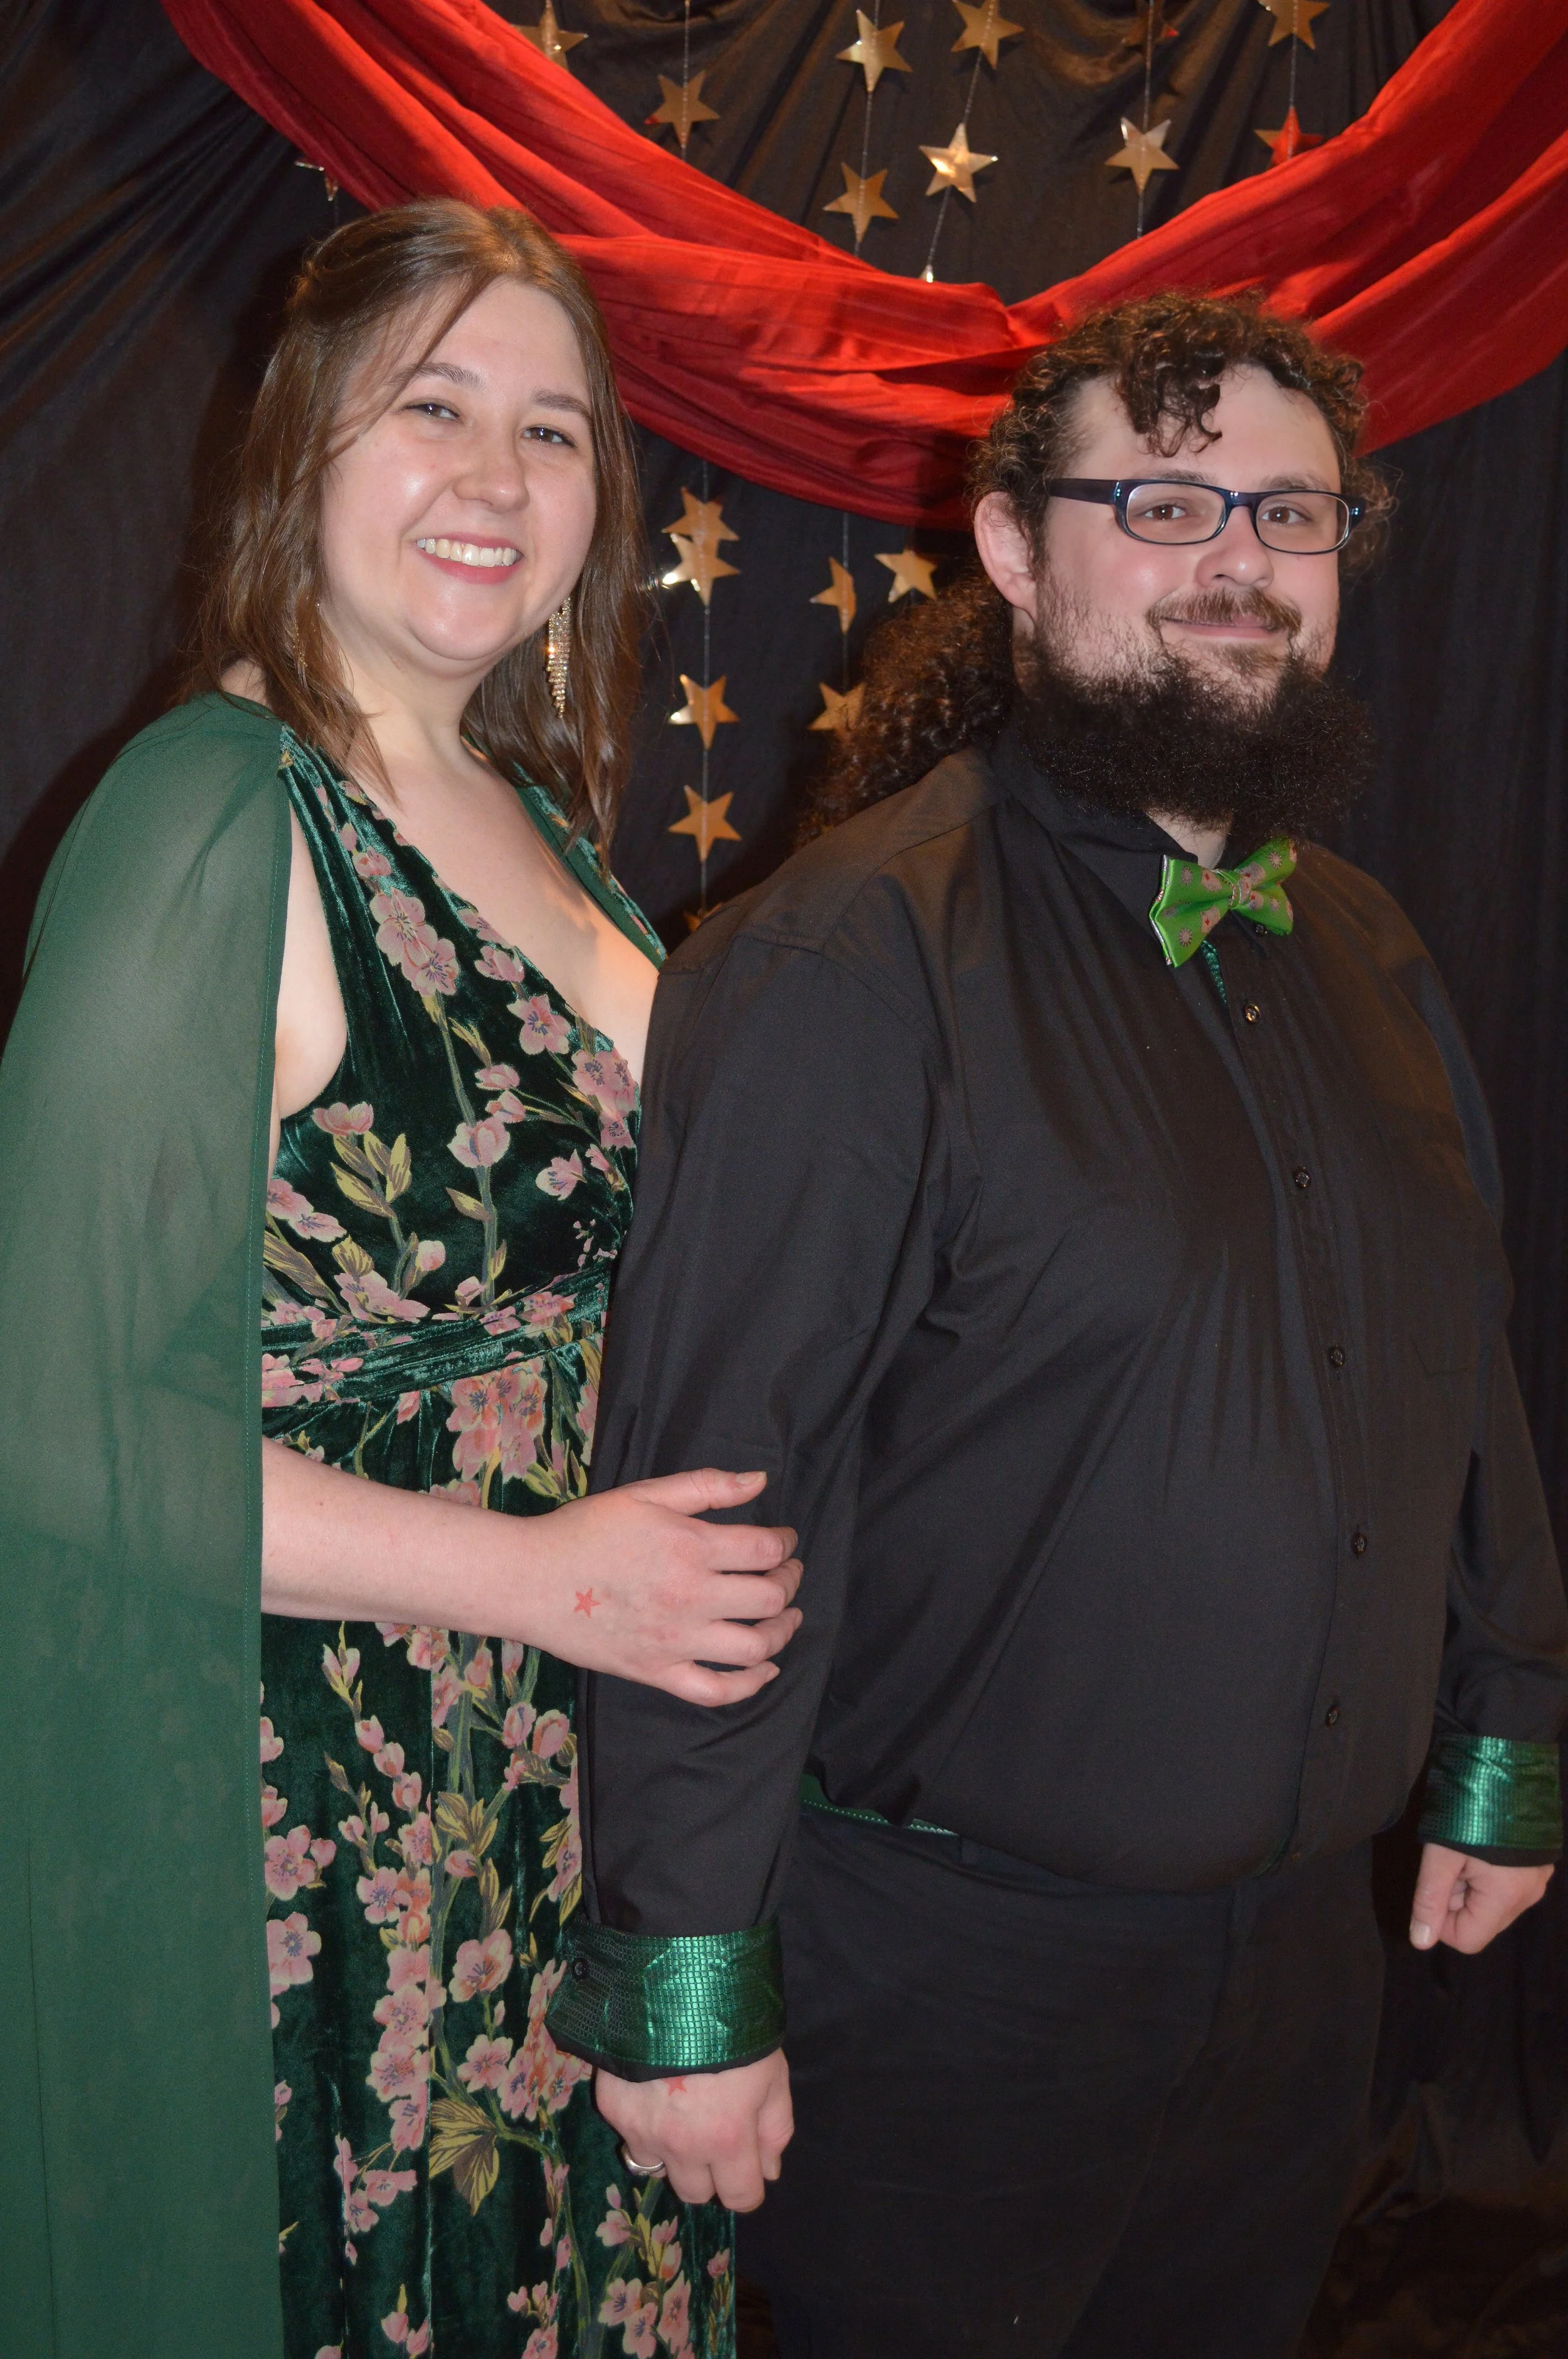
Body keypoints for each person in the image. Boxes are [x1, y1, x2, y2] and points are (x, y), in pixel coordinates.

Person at [548, 292, 1568, 2359]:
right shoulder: (851, 954)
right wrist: (686, 1980)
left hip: (1302, 1973)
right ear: (1014, 547)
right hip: (943, 1996)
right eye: (1165, 504)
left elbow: (1461, 1370)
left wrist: (1503, 1728)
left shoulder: (1364, 940)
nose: (1238, 563)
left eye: (1288, 513)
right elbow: (715, 1493)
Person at [0, 200, 803, 2359]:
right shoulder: (210, 817)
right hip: (322, 1808)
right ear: (302, 444)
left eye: (554, 431)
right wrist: (543, 1581)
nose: (495, 477)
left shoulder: (528, 810)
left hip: (545, 1783)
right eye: (430, 406)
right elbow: (46, 1425)